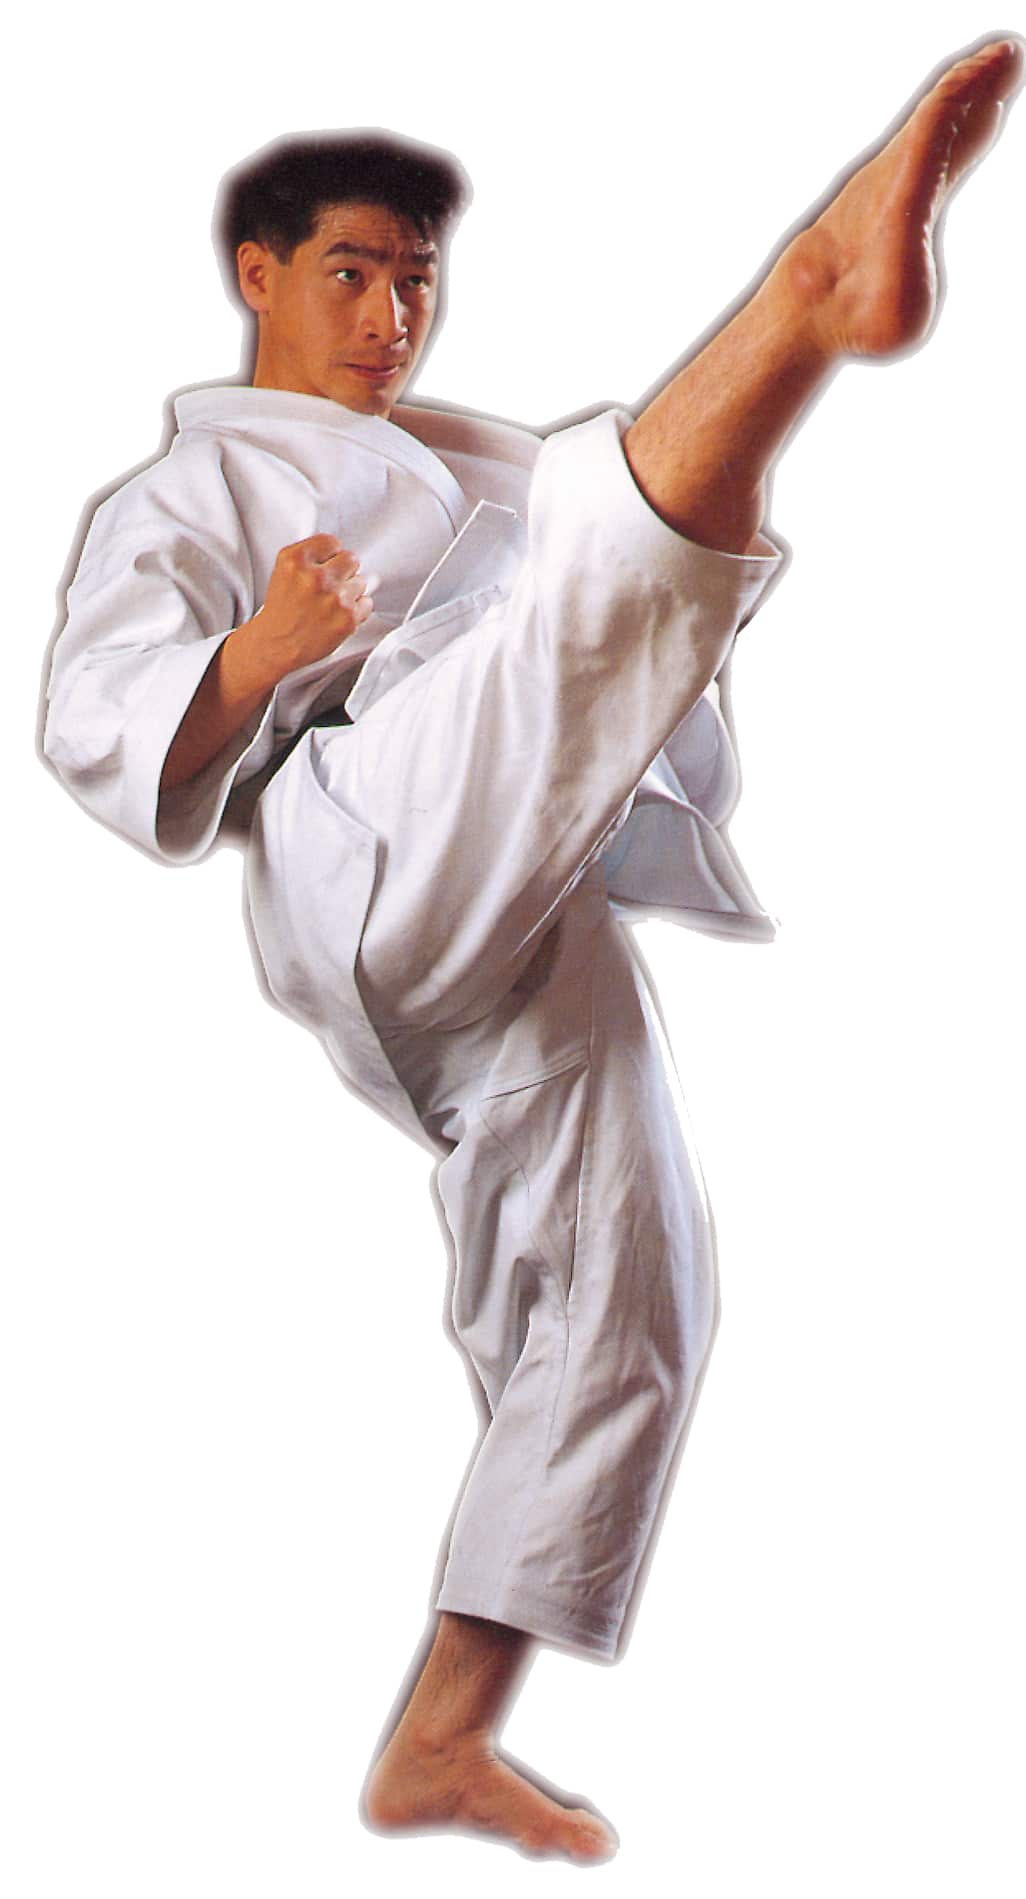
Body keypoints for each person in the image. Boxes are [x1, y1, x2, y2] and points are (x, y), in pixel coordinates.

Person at [42, 37, 1023, 1865]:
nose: (391, 315)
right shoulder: (188, 494)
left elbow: (604, 638)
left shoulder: (462, 456)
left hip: (524, 884)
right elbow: (97, 721)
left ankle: (439, 1735)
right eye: (351, 271)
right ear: (258, 274)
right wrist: (254, 656)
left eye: (417, 278)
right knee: (571, 614)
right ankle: (810, 295)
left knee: (635, 1298)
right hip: (364, 831)